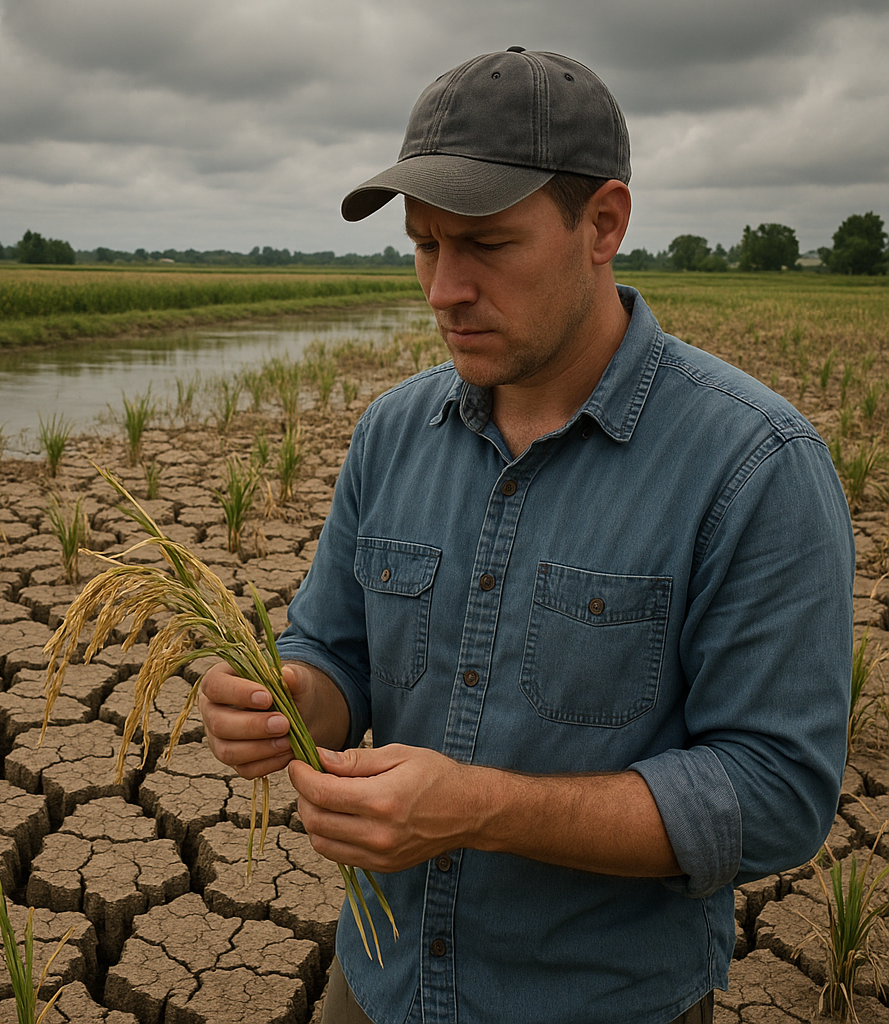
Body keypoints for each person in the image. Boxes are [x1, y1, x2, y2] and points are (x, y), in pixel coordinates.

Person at [200, 47, 854, 1024]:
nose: (442, 288)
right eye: (424, 245)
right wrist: (294, 701)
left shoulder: (752, 465)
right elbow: (331, 649)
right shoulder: (391, 433)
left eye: (486, 245)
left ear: (603, 224)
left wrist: (480, 806)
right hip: (376, 983)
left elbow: (772, 792)